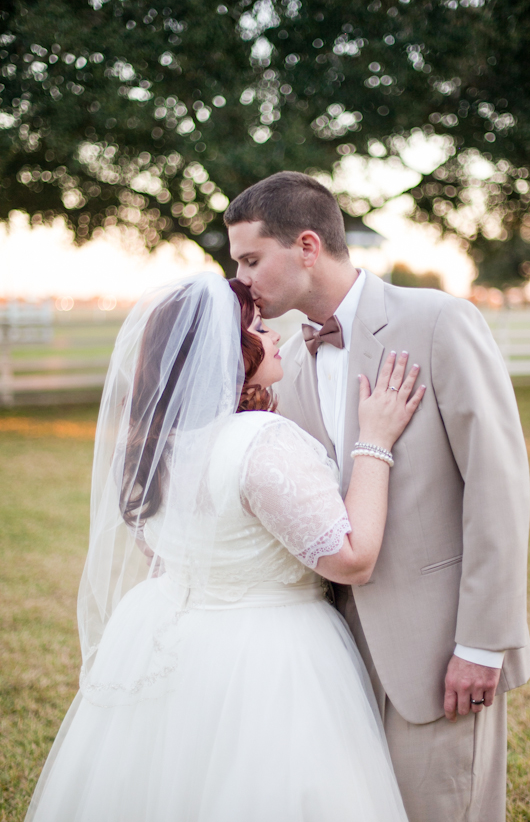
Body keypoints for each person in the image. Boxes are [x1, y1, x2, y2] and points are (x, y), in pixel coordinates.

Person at [25, 272, 424, 822]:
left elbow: (160, 553)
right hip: (272, 652)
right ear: (227, 352)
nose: (277, 336)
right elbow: (352, 559)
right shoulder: (260, 441)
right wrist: (374, 442)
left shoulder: (156, 446)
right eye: (260, 328)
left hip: (171, 640)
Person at [226, 170, 530, 822]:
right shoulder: (293, 364)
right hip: (336, 658)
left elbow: (498, 483)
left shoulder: (439, 320)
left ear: (307, 246)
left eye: (252, 259)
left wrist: (483, 643)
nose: (243, 279)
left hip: (443, 646)